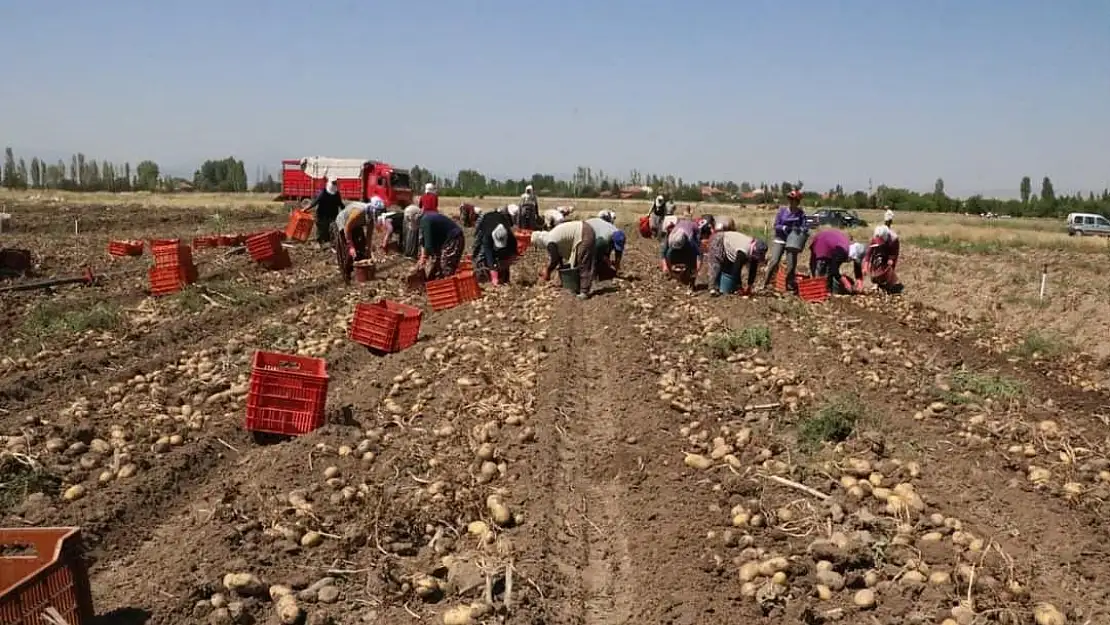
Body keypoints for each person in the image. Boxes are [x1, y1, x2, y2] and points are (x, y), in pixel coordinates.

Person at [705, 217, 768, 296]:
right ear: (755, 250)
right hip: (719, 239)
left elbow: (753, 268)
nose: (757, 257)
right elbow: (736, 269)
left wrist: (749, 286)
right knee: (716, 264)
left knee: (727, 266)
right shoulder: (744, 251)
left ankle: (722, 285)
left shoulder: (754, 251)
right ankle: (712, 288)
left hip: (731, 244)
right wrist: (740, 287)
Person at [535, 219, 597, 300]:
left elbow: (555, 259)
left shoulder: (549, 240)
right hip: (584, 230)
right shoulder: (551, 237)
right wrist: (560, 273)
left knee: (583, 262)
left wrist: (548, 270)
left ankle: (584, 292)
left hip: (584, 232)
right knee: (578, 261)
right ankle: (578, 286)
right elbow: (559, 257)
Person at [762, 189, 808, 293]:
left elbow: (805, 227)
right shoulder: (782, 211)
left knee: (791, 264)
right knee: (774, 261)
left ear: (798, 201)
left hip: (793, 240)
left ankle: (789, 286)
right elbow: (776, 225)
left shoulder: (801, 214)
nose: (792, 202)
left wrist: (800, 229)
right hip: (780, 239)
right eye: (790, 199)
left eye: (794, 200)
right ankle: (765, 283)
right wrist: (783, 228)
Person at [333, 199, 377, 283]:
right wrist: (351, 246)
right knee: (348, 251)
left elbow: (369, 235)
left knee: (361, 247)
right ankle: (347, 274)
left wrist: (368, 248)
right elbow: (347, 229)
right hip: (344, 224)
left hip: (355, 225)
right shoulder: (358, 213)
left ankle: (362, 272)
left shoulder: (371, 216)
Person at [808, 228, 863, 294]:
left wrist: (859, 279)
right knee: (821, 272)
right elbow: (833, 269)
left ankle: (828, 290)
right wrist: (845, 281)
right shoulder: (842, 251)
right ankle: (819, 292)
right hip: (822, 244)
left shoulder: (848, 248)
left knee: (829, 273)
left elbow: (856, 265)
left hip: (827, 240)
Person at [472, 208, 518, 284]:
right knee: (482, 254)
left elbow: (513, 252)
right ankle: (482, 276)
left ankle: (505, 278)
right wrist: (494, 277)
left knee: (504, 254)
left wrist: (506, 262)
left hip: (499, 218)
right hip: (486, 222)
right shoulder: (487, 237)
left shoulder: (510, 236)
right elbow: (489, 255)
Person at [417, 211, 464, 280]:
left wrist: (424, 257)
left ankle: (448, 286)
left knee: (446, 265)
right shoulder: (426, 219)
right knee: (438, 263)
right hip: (447, 240)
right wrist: (422, 256)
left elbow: (428, 244)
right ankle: (437, 281)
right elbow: (423, 242)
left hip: (454, 239)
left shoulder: (425, 221)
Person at [661, 218, 702, 290]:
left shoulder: (690, 239)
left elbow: (698, 253)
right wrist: (666, 267)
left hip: (692, 232)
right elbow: (664, 252)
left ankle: (691, 283)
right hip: (679, 235)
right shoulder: (670, 237)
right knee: (669, 254)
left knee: (692, 257)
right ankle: (675, 275)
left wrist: (697, 268)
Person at [307, 177, 345, 248]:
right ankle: (320, 242)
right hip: (324, 215)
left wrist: (346, 211)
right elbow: (315, 202)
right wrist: (306, 208)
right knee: (322, 229)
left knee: (327, 229)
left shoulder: (331, 193)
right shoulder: (326, 193)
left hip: (329, 215)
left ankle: (327, 242)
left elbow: (340, 204)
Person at [865, 225, 903, 294]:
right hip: (881, 248)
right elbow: (869, 251)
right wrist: (866, 263)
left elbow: (894, 253)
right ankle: (876, 283)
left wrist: (891, 259)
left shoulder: (894, 239)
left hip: (891, 249)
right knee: (877, 261)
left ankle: (888, 284)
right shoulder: (876, 236)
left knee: (889, 268)